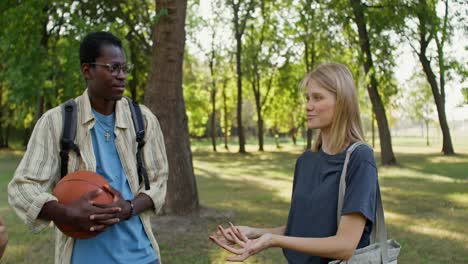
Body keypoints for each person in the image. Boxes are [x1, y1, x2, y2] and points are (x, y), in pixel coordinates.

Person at [8, 31, 168, 264]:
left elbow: (159, 180)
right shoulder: (56, 122)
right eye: (113, 68)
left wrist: (129, 207)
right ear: (87, 70)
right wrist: (66, 213)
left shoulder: (143, 119)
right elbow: (23, 187)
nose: (122, 76)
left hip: (142, 257)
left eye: (125, 68)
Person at [209, 63, 378, 263]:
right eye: (307, 98)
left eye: (317, 97)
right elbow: (303, 229)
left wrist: (274, 240)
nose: (308, 106)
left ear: (342, 102)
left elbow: (345, 246)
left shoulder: (360, 158)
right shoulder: (305, 161)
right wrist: (256, 232)